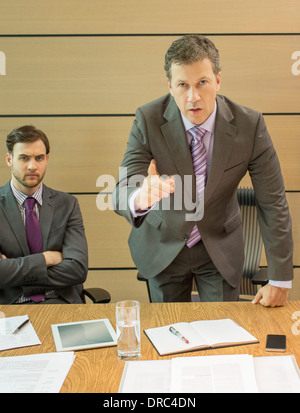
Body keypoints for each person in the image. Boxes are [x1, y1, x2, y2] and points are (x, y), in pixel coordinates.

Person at [113, 35, 293, 307]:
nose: (193, 97)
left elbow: (273, 201)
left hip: (218, 245)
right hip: (163, 244)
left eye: (202, 83)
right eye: (183, 85)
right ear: (170, 86)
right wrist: (140, 196)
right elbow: (120, 191)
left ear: (218, 81)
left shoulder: (250, 125)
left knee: (223, 335)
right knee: (167, 335)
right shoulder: (147, 119)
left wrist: (280, 279)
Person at [0, 125, 88, 304]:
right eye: (24, 158)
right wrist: (46, 259)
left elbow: (77, 269)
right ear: (9, 159)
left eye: (39, 158)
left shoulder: (67, 204)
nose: (32, 166)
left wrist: (14, 271)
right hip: (11, 306)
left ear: (47, 159)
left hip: (60, 301)